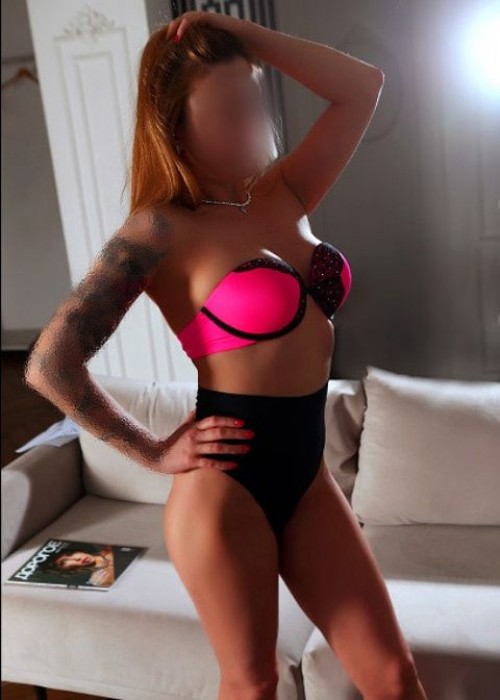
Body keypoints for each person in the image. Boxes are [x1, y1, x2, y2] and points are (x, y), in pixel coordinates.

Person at [25, 10, 427, 700]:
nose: (252, 124)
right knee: (252, 683)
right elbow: (50, 363)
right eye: (228, 109)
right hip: (224, 492)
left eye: (252, 100)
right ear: (176, 126)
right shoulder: (160, 230)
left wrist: (239, 34)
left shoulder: (285, 192)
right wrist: (152, 451)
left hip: (307, 478)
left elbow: (363, 87)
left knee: (393, 676)